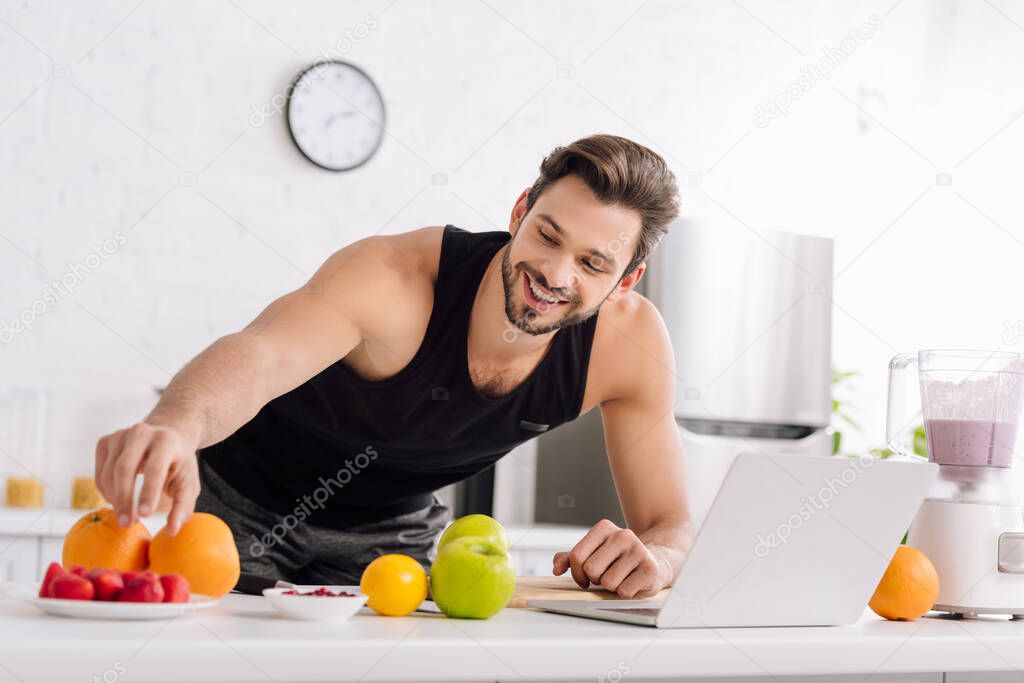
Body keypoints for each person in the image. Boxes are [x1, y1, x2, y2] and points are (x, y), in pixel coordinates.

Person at [94, 133, 694, 598]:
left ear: (625, 281)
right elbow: (260, 355)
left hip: (391, 538)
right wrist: (175, 425)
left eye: (593, 265)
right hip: (235, 506)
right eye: (547, 236)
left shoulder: (629, 348)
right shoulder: (396, 278)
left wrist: (659, 560)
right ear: (518, 213)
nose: (556, 276)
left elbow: (669, 523)